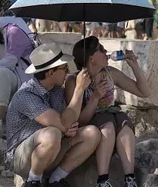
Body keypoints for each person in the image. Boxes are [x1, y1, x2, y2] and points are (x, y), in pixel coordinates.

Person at [5, 43, 101, 187]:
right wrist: (79, 89)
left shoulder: (55, 90)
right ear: (50, 72)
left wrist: (67, 127)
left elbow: (67, 121)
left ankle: (55, 180)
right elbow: (63, 123)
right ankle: (33, 181)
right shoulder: (26, 95)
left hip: (51, 149)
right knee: (52, 133)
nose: (68, 71)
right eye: (64, 68)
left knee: (92, 133)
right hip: (22, 158)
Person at [67, 37, 150, 187]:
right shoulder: (74, 81)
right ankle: (103, 180)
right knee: (108, 125)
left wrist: (135, 67)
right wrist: (95, 98)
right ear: (91, 58)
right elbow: (80, 120)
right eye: (101, 49)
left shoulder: (110, 73)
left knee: (124, 124)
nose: (106, 52)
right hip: (92, 126)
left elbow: (143, 92)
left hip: (111, 116)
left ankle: (129, 178)